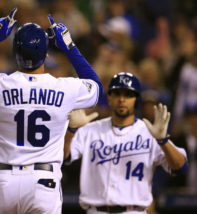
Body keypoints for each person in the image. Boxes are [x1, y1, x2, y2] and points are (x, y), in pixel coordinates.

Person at [0, 8, 103, 214]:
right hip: (44, 181)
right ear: (46, 54)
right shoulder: (65, 88)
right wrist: (69, 46)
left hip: (4, 181)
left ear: (16, 52)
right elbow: (97, 88)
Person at [64, 72, 188, 214]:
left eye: (128, 94)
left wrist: (163, 141)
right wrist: (71, 130)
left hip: (133, 211)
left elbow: (180, 167)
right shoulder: (91, 130)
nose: (122, 99)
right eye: (117, 93)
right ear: (109, 98)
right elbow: (63, 156)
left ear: (136, 100)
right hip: (95, 211)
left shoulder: (149, 132)